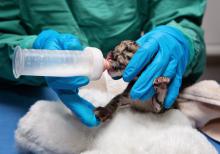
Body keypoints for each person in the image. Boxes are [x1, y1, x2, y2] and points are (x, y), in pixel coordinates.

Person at [0, 0, 207, 127]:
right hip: (26, 96)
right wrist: (33, 48)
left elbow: (181, 18)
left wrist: (180, 39)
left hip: (136, 95)